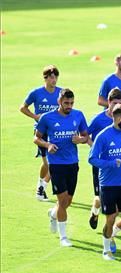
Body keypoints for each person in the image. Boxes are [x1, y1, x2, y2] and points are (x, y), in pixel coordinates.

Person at [34, 88, 88, 247]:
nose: (69, 106)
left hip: (73, 163)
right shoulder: (47, 118)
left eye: (71, 103)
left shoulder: (78, 115)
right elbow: (36, 138)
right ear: (59, 101)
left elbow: (85, 136)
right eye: (66, 103)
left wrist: (80, 139)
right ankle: (63, 236)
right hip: (56, 164)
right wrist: (48, 144)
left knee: (67, 201)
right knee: (62, 199)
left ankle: (53, 213)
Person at [88, 104, 121, 260]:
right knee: (110, 218)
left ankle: (112, 233)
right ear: (117, 118)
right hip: (108, 184)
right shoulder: (103, 136)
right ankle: (106, 250)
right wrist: (110, 163)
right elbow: (92, 158)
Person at [20, 65, 62, 201]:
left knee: (53, 163)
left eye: (55, 76)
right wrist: (35, 116)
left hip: (56, 133)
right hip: (41, 132)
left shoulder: (61, 93)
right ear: (45, 78)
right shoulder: (36, 93)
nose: (54, 79)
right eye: (51, 77)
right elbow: (23, 107)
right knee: (47, 163)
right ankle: (41, 186)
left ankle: (40, 187)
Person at [86, 88, 121, 230]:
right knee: (99, 198)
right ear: (108, 102)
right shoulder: (98, 119)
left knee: (116, 204)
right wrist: (96, 149)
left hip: (118, 167)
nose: (117, 107)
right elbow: (86, 135)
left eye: (120, 104)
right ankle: (96, 213)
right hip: (101, 165)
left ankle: (108, 232)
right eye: (114, 103)